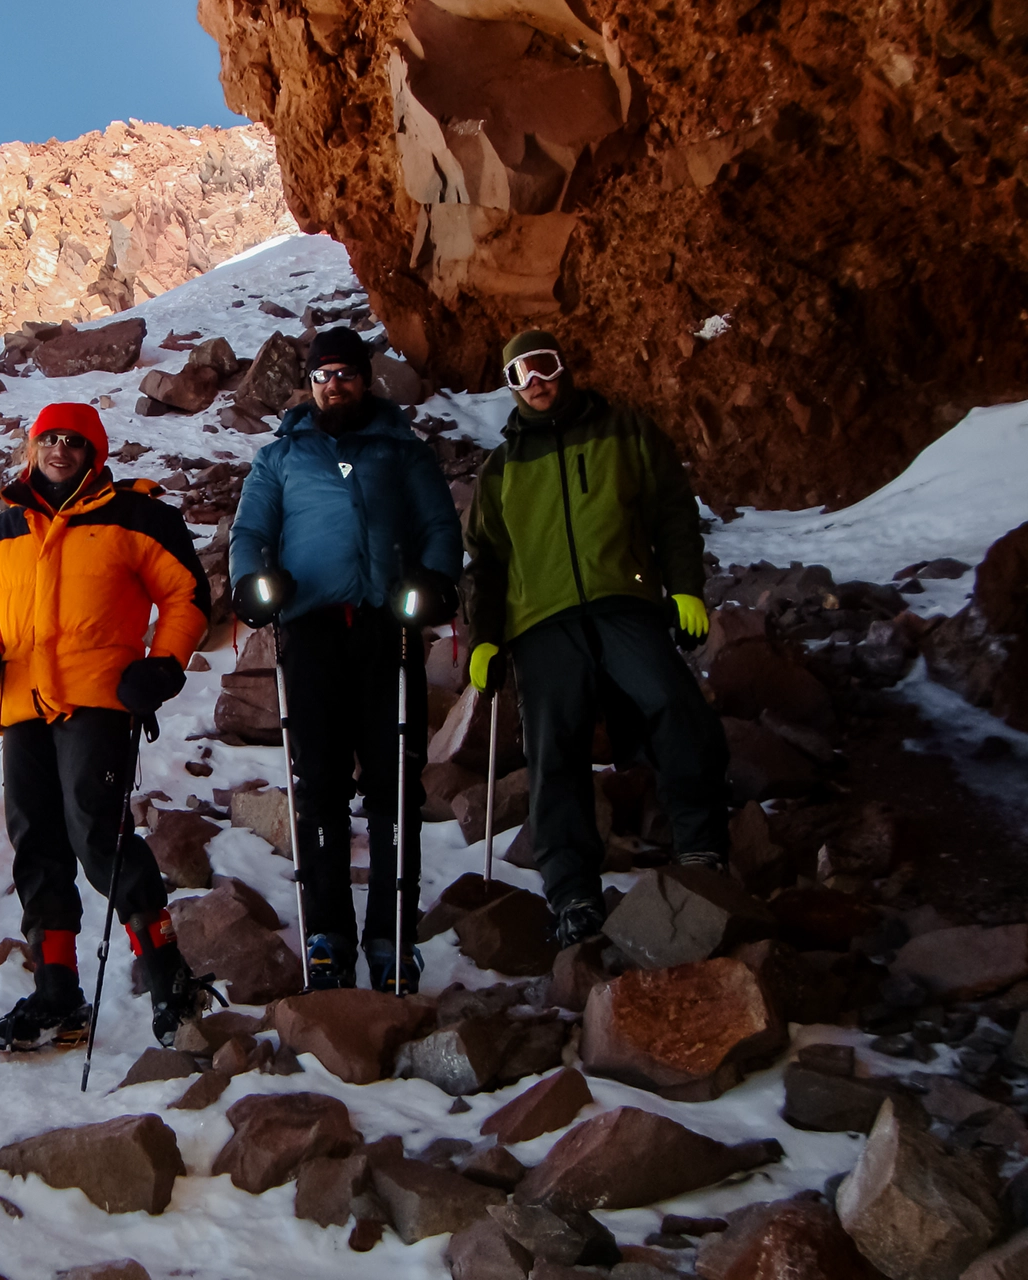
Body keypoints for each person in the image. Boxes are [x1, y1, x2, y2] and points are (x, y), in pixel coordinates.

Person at [0, 401, 214, 1051]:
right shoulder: (2, 529)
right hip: (20, 706)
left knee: (99, 834)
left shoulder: (136, 516)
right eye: (48, 439)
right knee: (35, 841)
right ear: (31, 447)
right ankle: (57, 993)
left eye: (74, 441)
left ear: (94, 452)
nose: (59, 450)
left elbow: (188, 597)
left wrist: (163, 667)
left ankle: (168, 980)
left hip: (98, 699)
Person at [462, 329, 730, 949]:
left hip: (624, 603)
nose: (536, 382)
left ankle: (703, 848)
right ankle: (573, 892)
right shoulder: (501, 467)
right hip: (540, 624)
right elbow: (487, 563)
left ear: (565, 366)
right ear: (510, 387)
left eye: (544, 366)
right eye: (520, 375)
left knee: (675, 706)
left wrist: (684, 586)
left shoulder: (626, 432)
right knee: (554, 750)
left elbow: (671, 510)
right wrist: (485, 637)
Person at [228, 326, 463, 994]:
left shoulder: (402, 453)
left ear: (366, 380)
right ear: (310, 384)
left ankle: (392, 937)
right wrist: (251, 581)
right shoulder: (279, 458)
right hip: (310, 631)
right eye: (324, 375)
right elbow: (251, 532)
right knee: (320, 782)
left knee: (394, 785)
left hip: (387, 628)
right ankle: (327, 934)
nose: (336, 384)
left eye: (347, 374)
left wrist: (439, 578)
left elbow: (438, 528)